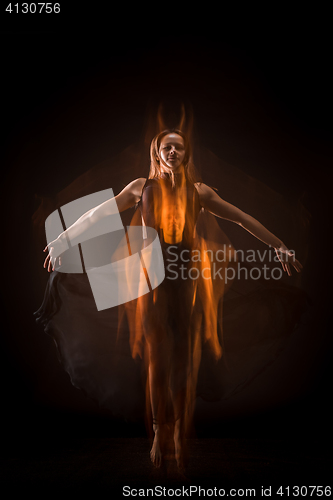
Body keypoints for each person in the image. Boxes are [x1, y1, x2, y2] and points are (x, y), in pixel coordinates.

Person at [42, 128, 302, 471]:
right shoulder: (141, 187)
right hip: (151, 283)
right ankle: (159, 430)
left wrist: (279, 245)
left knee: (182, 359)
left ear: (186, 153)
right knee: (158, 359)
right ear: (158, 152)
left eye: (179, 147)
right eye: (168, 147)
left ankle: (179, 429)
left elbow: (241, 218)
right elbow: (96, 215)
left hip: (187, 282)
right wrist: (61, 240)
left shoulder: (200, 192)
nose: (174, 151)